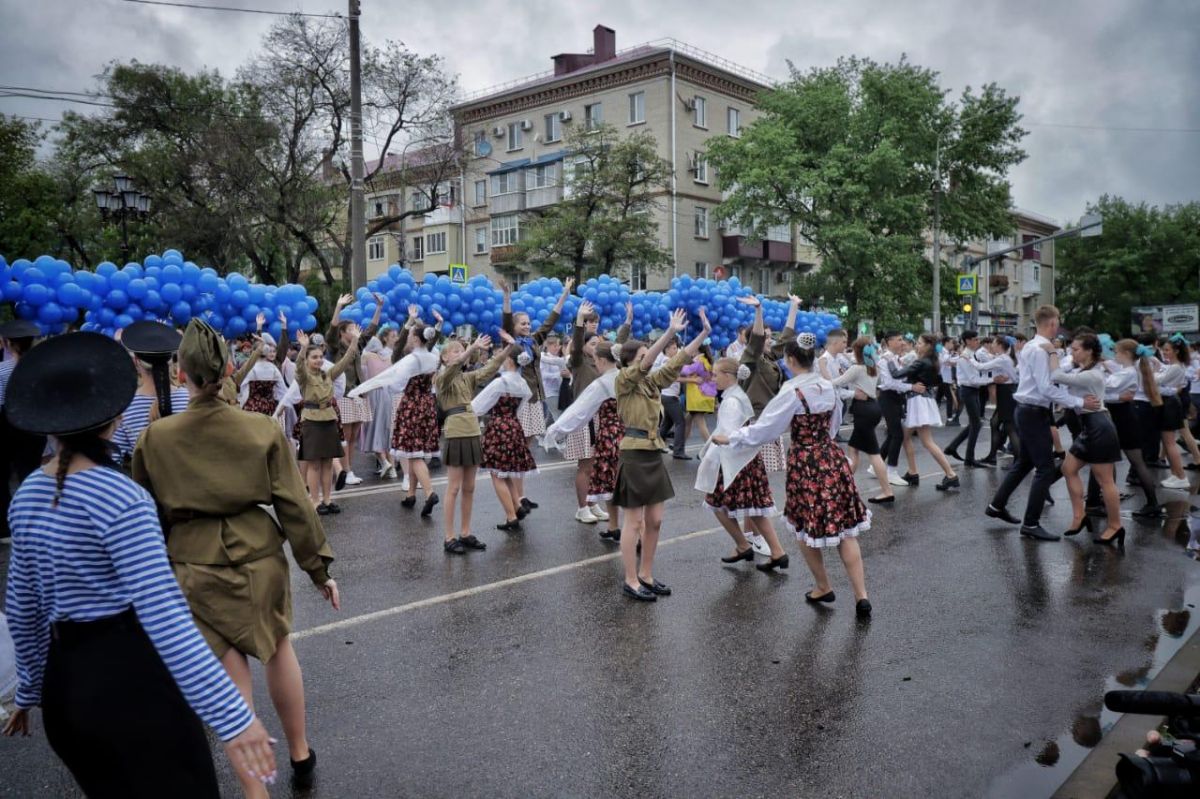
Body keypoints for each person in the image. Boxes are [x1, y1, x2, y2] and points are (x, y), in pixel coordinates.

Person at [2, 331, 276, 796]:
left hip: (67, 692)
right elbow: (165, 617)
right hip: (131, 684)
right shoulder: (121, 497)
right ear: (112, 418)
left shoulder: (27, 494)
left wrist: (29, 691)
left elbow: (23, 606)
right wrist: (235, 718)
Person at [133, 318, 338, 796]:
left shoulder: (155, 438)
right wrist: (319, 569)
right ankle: (300, 754)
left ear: (181, 374)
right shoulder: (260, 429)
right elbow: (294, 503)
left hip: (193, 565)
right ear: (228, 368)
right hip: (258, 556)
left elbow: (145, 516)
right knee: (278, 648)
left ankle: (255, 791)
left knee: (230, 676)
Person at [713, 333, 872, 617]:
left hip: (806, 463)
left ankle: (823, 585)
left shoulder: (792, 390)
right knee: (846, 530)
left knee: (805, 527)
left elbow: (766, 429)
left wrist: (732, 438)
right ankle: (861, 596)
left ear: (789, 360)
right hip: (831, 457)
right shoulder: (826, 385)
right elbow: (834, 424)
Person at [614, 308, 711, 601]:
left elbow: (677, 362)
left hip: (653, 452)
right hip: (633, 453)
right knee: (634, 522)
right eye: (645, 353)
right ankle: (630, 580)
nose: (652, 357)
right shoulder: (624, 380)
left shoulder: (651, 382)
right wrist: (668, 333)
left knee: (655, 520)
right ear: (631, 358)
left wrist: (703, 334)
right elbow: (647, 364)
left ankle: (646, 574)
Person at [986, 306, 1101, 541]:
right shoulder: (1040, 350)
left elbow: (1050, 374)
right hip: (1033, 412)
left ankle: (996, 506)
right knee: (1045, 468)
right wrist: (1078, 402)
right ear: (1051, 324)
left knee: (1024, 463)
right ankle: (1030, 523)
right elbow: (1046, 387)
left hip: (1028, 410)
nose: (1058, 326)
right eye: (1057, 322)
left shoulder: (1032, 345)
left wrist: (1070, 366)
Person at [695, 357, 789, 570]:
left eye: (716, 374)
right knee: (754, 507)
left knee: (716, 503)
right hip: (748, 459)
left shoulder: (731, 401)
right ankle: (776, 551)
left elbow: (726, 435)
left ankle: (742, 545)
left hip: (735, 461)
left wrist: (709, 457)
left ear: (728, 376)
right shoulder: (738, 395)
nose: (713, 377)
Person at [432, 333, 516, 554]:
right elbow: (454, 367)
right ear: (444, 358)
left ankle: (465, 532)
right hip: (456, 431)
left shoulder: (466, 377)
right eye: (455, 351)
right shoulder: (442, 377)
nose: (460, 354)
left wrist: (508, 349)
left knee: (470, 487)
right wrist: (471, 349)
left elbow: (488, 370)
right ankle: (449, 537)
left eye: (462, 350)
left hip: (472, 430)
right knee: (454, 488)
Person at [356, 305, 441, 515]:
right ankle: (411, 494)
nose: (409, 337)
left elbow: (395, 384)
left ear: (416, 338)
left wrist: (370, 387)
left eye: (412, 334)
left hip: (411, 405)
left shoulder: (412, 360)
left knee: (413, 454)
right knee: (413, 451)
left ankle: (429, 493)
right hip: (427, 405)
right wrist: (438, 324)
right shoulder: (433, 357)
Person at [501, 278, 573, 518]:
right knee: (518, 448)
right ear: (513, 327)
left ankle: (520, 495)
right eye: (523, 323)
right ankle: (515, 497)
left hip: (535, 400)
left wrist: (564, 294)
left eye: (528, 323)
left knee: (525, 447)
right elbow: (505, 320)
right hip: (520, 402)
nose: (527, 325)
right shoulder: (509, 344)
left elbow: (550, 321)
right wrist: (507, 298)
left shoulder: (532, 342)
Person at [1048, 334, 1125, 545]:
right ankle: (1079, 516)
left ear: (1089, 351)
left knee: (1105, 480)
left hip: (1099, 426)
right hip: (1088, 426)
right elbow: (1061, 375)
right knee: (1068, 469)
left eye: (1076, 349)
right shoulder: (1082, 370)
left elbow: (1055, 375)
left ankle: (1115, 525)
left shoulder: (1092, 374)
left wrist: (1052, 350)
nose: (1072, 352)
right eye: (1072, 349)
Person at [566, 301, 631, 524]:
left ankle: (593, 503)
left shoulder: (602, 365)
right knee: (585, 465)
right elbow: (575, 345)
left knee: (596, 464)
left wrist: (627, 323)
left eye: (597, 345)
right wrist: (579, 321)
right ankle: (582, 507)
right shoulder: (579, 362)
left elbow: (616, 346)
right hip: (584, 418)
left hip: (600, 418)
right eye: (592, 344)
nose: (596, 347)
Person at [293, 326, 362, 514]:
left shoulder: (328, 374)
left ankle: (327, 499)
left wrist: (355, 340)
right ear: (307, 360)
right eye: (314, 357)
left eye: (320, 357)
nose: (318, 360)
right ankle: (315, 501)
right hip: (312, 421)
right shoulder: (304, 376)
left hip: (329, 419)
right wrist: (303, 348)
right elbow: (298, 368)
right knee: (314, 464)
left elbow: (346, 360)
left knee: (328, 463)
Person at [476, 341, 540, 533]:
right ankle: (517, 506)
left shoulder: (500, 382)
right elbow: (521, 405)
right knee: (508, 473)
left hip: (498, 427)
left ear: (510, 361)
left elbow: (478, 406)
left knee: (496, 473)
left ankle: (511, 516)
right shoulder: (522, 384)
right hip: (514, 426)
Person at [326, 293, 385, 487]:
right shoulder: (335, 347)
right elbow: (333, 328)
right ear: (343, 333)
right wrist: (339, 306)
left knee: (353, 437)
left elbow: (371, 330)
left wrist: (379, 308)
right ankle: (345, 470)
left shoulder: (357, 344)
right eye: (351, 329)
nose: (356, 330)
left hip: (359, 393)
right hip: (344, 394)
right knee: (345, 435)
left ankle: (348, 469)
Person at [113, 320, 192, 461]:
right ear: (170, 359)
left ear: (136, 361)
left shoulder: (125, 408)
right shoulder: (191, 398)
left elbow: (115, 457)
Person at [832, 337, 894, 503]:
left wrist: (819, 376)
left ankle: (887, 491)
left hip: (864, 411)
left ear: (857, 352)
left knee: (874, 453)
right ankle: (844, 486)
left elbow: (835, 383)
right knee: (853, 448)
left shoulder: (857, 368)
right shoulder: (873, 367)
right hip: (872, 408)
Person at [0, 319, 45, 544]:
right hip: (36, 426)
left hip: (7, 426)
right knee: (33, 472)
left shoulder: (2, 371)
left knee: (4, 478)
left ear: (7, 343)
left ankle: (6, 527)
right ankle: (37, 520)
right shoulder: (41, 368)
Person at [896, 334, 960, 491]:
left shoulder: (921, 361)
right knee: (906, 437)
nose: (917, 345)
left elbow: (897, 374)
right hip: (923, 400)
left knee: (926, 441)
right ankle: (913, 472)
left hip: (918, 401)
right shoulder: (933, 361)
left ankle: (950, 475)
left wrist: (889, 362)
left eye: (919, 343)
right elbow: (938, 380)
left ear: (928, 346)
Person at [1108, 339, 1163, 518]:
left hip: (1124, 419)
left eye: (1117, 352)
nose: (1115, 355)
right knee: (1135, 462)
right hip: (1125, 417)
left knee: (1136, 462)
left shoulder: (1129, 372)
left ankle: (1152, 503)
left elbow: (1105, 387)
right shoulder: (1129, 370)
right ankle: (1151, 503)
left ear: (1126, 354)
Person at [945, 330, 1013, 468]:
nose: (978, 342)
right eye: (975, 339)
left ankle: (953, 447)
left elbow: (981, 370)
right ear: (967, 341)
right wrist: (992, 379)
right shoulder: (965, 357)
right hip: (968, 390)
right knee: (976, 423)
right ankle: (969, 458)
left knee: (976, 423)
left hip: (974, 390)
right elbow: (973, 379)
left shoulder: (972, 355)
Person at [877, 332, 920, 488]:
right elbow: (889, 383)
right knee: (897, 435)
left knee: (893, 434)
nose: (903, 343)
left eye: (903, 340)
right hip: (888, 397)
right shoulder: (885, 359)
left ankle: (877, 465)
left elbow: (900, 378)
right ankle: (891, 472)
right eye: (899, 339)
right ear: (889, 341)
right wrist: (911, 386)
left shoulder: (895, 358)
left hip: (896, 397)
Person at [1157, 334, 1200, 489]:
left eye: (1167, 350)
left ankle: (1181, 476)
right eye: (1163, 350)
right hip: (1170, 402)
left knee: (1170, 442)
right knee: (1168, 442)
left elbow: (1158, 381)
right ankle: (1176, 474)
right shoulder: (1173, 365)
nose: (1164, 352)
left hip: (1170, 403)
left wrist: (1148, 374)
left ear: (1176, 350)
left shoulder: (1176, 367)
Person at [358, 334, 398, 479]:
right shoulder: (388, 358)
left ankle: (384, 461)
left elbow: (363, 376)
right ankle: (392, 468)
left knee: (372, 429)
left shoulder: (366, 356)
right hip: (387, 394)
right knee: (386, 430)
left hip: (372, 394)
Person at [980, 337, 1020, 464]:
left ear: (1000, 345)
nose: (991, 345)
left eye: (993, 342)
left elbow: (982, 367)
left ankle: (1018, 461)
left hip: (1007, 393)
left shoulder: (1003, 358)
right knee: (994, 423)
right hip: (1006, 392)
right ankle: (992, 456)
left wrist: (966, 358)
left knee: (1010, 427)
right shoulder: (1004, 357)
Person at [655, 336, 689, 460]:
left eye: (676, 348)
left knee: (667, 423)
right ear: (667, 349)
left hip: (668, 395)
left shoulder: (670, 360)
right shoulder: (666, 361)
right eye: (674, 348)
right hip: (669, 396)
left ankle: (657, 444)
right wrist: (693, 380)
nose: (676, 350)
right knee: (680, 422)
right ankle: (678, 451)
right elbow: (674, 378)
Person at [680, 345, 717, 446]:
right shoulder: (706, 360)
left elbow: (684, 371)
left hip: (698, 398)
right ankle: (680, 445)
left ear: (697, 349)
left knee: (701, 425)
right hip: (704, 396)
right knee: (687, 420)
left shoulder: (699, 360)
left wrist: (687, 361)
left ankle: (711, 449)